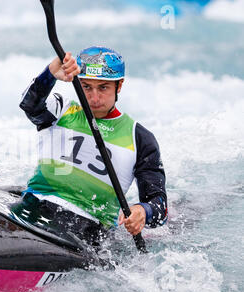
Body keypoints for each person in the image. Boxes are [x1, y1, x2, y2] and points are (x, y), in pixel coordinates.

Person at [15, 46, 168, 247]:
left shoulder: (140, 138)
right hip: (33, 207)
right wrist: (51, 73)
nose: (94, 98)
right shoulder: (61, 109)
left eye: (103, 87)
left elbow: (160, 206)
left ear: (119, 86)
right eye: (86, 87)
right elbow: (29, 104)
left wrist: (142, 211)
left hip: (89, 232)